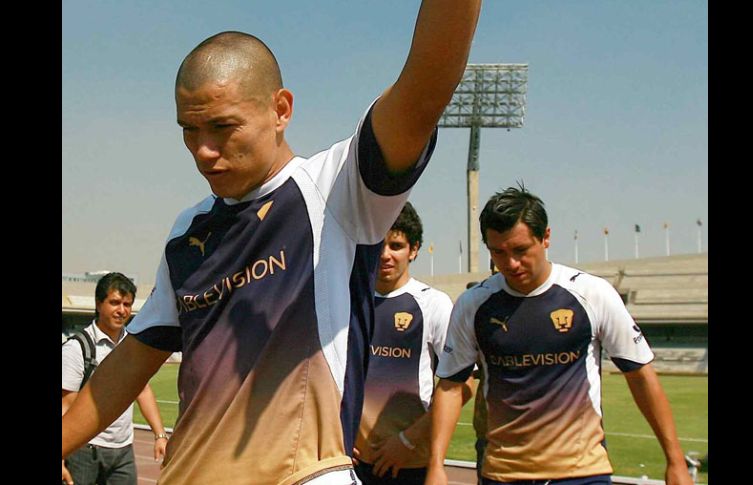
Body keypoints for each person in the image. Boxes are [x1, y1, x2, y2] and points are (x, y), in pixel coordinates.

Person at [62, 3, 482, 484]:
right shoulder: (187, 231)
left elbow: (424, 89)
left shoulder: (338, 189)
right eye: (189, 130)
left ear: (280, 109)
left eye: (222, 127)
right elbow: (132, 360)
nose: (202, 150)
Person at [426, 185, 694, 485]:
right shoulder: (473, 304)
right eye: (498, 252)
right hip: (503, 474)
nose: (511, 263)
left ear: (546, 238)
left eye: (520, 250)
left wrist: (675, 461)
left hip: (581, 473)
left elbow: (641, 375)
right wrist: (436, 465)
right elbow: (450, 385)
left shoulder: (591, 294)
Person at [352, 202, 469, 484]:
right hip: (351, 462)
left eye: (396, 245)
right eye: (378, 244)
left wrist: (406, 441)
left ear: (414, 249)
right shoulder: (349, 300)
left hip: (407, 463)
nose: (385, 255)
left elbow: (463, 386)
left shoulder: (433, 304)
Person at [62, 272, 168, 485]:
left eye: (127, 304)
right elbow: (65, 405)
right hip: (84, 451)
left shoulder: (132, 347)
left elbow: (142, 389)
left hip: (122, 451)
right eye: (115, 303)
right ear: (99, 304)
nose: (122, 310)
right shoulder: (77, 348)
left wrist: (159, 434)